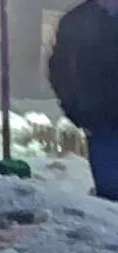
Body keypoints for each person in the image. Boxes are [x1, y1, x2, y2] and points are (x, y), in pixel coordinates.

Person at [48, 0, 118, 201]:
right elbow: (61, 70)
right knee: (111, 202)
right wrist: (75, 109)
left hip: (99, 123)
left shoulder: (77, 20)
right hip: (102, 125)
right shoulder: (78, 22)